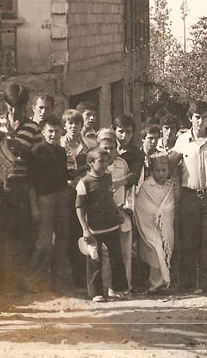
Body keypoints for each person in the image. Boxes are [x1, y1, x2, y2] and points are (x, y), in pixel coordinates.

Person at [169, 100, 207, 295]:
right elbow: (170, 164)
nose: (200, 122)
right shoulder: (182, 140)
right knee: (189, 240)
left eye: (204, 117)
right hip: (189, 196)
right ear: (190, 118)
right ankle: (188, 283)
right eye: (197, 117)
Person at [0, 83, 43, 294]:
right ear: (6, 105)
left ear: (25, 106)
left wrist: (20, 148)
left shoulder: (32, 128)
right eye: (11, 107)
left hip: (20, 187)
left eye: (18, 108)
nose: (14, 112)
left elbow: (38, 159)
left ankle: (18, 281)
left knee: (20, 234)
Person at [75, 147, 129, 302]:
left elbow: (109, 198)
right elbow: (80, 208)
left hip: (111, 225)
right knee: (95, 260)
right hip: (94, 228)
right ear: (91, 163)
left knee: (116, 259)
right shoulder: (84, 183)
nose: (105, 164)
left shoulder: (108, 177)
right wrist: (85, 229)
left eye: (107, 161)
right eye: (101, 161)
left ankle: (117, 289)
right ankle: (96, 293)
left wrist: (118, 214)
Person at [29, 115, 71, 292]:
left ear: (61, 132)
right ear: (43, 132)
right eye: (50, 131)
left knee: (62, 239)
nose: (54, 135)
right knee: (44, 242)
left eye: (57, 131)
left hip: (62, 197)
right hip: (44, 199)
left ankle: (57, 282)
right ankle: (34, 280)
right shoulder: (36, 151)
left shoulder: (61, 152)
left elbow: (63, 176)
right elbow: (31, 181)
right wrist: (34, 207)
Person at [96, 129, 133, 296]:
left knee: (124, 251)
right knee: (105, 253)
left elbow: (129, 189)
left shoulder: (122, 164)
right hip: (103, 214)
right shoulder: (96, 166)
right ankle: (106, 287)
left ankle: (124, 287)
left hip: (121, 211)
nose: (109, 152)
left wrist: (128, 207)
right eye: (105, 148)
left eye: (112, 148)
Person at [132, 153, 175, 293]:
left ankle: (163, 283)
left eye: (164, 170)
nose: (161, 174)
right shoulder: (147, 186)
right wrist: (156, 214)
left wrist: (164, 212)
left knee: (166, 250)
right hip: (150, 226)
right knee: (156, 251)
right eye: (157, 170)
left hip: (166, 227)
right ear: (152, 171)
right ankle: (155, 283)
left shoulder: (170, 186)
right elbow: (142, 206)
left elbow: (171, 205)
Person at [61, 108, 93, 288]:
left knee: (82, 232)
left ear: (82, 125)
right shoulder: (59, 144)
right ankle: (69, 278)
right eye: (70, 123)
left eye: (77, 123)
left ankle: (82, 278)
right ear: (65, 125)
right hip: (65, 193)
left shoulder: (89, 145)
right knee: (67, 233)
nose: (73, 127)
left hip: (83, 195)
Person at [113, 115, 143, 188]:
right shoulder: (107, 149)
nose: (124, 136)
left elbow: (134, 176)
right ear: (114, 131)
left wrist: (117, 183)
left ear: (132, 134)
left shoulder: (137, 154)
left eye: (128, 132)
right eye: (121, 132)